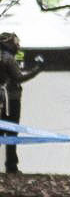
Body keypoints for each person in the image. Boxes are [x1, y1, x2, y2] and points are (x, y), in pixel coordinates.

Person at [0, 32, 43, 174]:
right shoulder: (8, 58)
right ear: (9, 43)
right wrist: (38, 69)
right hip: (10, 100)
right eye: (16, 43)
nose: (19, 45)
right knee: (12, 131)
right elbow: (18, 78)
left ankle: (11, 165)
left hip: (3, 98)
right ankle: (11, 166)